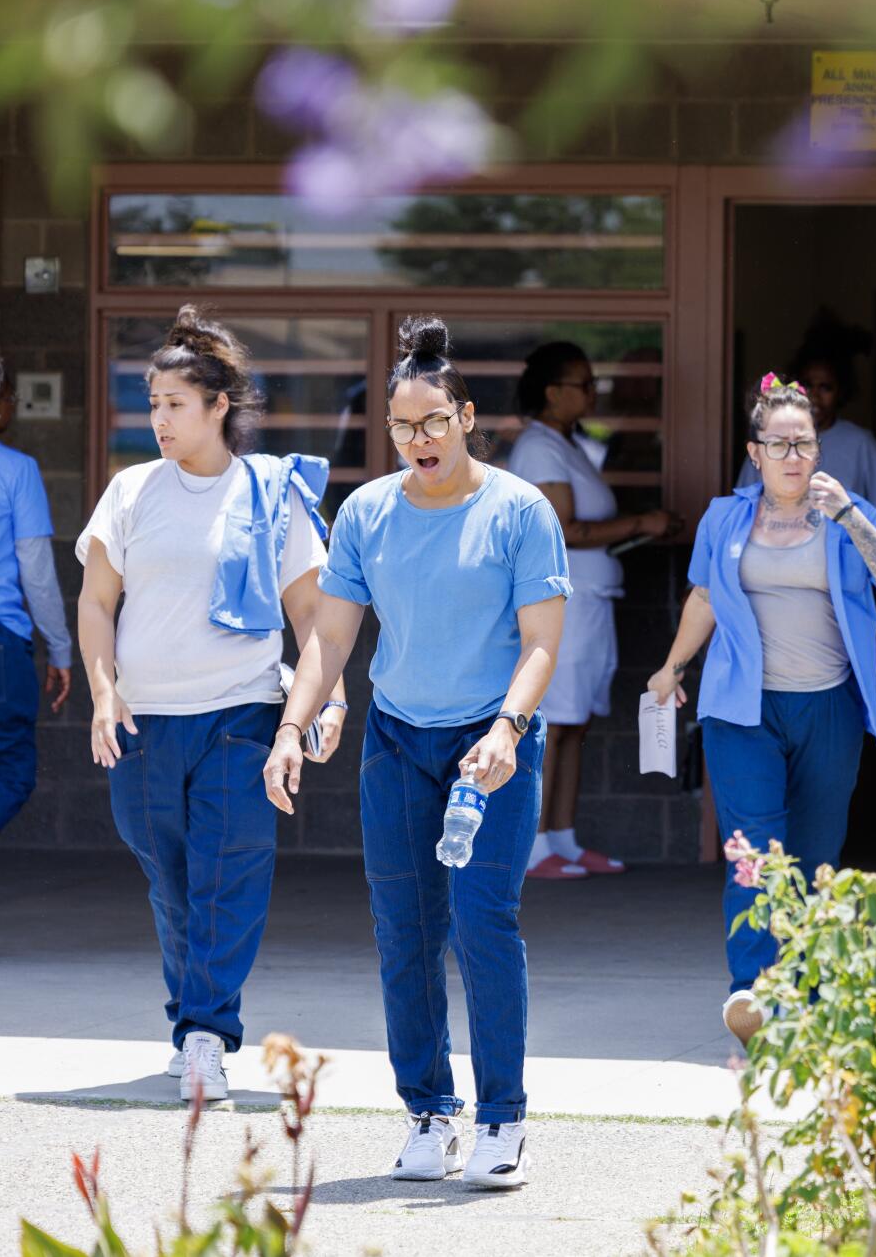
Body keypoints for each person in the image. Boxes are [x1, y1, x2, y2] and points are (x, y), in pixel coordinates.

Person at [262, 315, 568, 1190]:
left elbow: (541, 642)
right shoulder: (366, 512)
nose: (419, 439)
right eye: (402, 426)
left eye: (434, 421)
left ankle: (503, 1119)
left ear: (466, 416)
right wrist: (292, 726)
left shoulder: (519, 510)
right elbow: (328, 638)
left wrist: (507, 729)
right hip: (397, 743)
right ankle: (429, 1113)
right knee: (405, 931)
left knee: (482, 925)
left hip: (491, 745)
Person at [75, 307, 345, 1103]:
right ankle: (192, 1018)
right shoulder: (129, 493)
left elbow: (313, 619)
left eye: (174, 404)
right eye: (151, 403)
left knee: (229, 874)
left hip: (241, 716)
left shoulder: (273, 494)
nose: (157, 418)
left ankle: (204, 1034)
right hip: (144, 722)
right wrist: (102, 690)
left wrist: (326, 703)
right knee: (172, 879)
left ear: (219, 405)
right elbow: (95, 603)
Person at [650, 373, 876, 1046]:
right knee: (755, 854)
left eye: (804, 443)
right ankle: (752, 991)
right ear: (755, 451)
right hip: (742, 711)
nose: (793, 455)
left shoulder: (850, 515)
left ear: (819, 450)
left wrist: (851, 515)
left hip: (828, 706)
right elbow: (705, 598)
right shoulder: (725, 516)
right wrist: (672, 666)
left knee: (814, 855)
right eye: (780, 443)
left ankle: (809, 991)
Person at [509, 341, 678, 880]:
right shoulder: (539, 448)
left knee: (574, 722)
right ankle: (533, 846)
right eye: (582, 383)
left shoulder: (572, 443)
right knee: (552, 722)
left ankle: (564, 838)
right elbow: (566, 530)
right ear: (553, 392)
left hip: (590, 603)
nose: (592, 392)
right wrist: (639, 524)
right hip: (563, 606)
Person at [734, 319, 876, 541]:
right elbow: (741, 513)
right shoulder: (769, 441)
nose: (815, 394)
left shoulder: (861, 444)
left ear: (841, 391)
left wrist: (863, 563)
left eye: (826, 387)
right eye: (808, 384)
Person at [0, 355, 73, 830]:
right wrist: (61, 650)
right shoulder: (16, 471)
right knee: (12, 769)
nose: (13, 408)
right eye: (9, 398)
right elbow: (38, 574)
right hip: (3, 647)